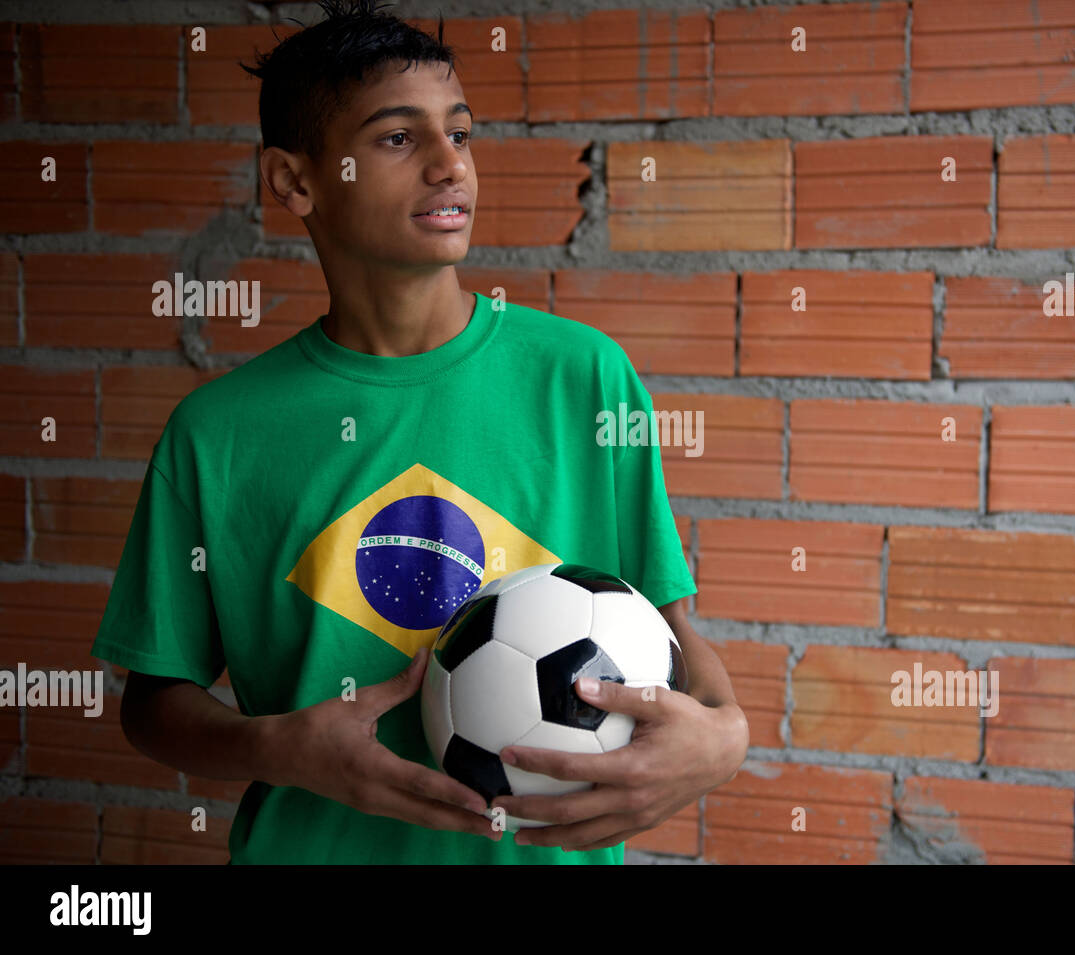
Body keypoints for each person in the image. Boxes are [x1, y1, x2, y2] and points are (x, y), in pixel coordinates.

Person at [92, 0, 748, 864]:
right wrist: (280, 746)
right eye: (399, 139)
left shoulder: (584, 376)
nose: (450, 166)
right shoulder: (217, 433)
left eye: (462, 134)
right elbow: (154, 703)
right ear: (296, 181)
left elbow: (669, 631)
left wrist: (724, 735)